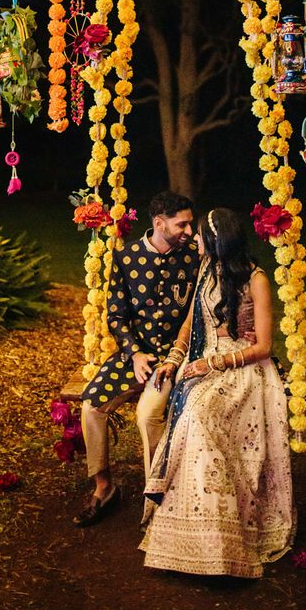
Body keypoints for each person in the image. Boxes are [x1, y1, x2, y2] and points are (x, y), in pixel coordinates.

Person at [139, 207, 295, 577]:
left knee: (200, 415)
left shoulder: (255, 279)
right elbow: (189, 325)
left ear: (216, 239)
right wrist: (174, 360)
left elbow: (264, 347)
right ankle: (188, 533)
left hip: (242, 368)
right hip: (201, 362)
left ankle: (223, 536)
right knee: (194, 416)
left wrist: (213, 364)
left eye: (201, 235)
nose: (194, 239)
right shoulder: (206, 272)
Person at [73, 191, 200, 527]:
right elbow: (116, 315)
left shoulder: (194, 257)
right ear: (159, 223)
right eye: (182, 224)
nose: (189, 229)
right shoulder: (127, 258)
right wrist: (134, 354)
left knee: (148, 416)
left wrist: (173, 357)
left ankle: (159, 497)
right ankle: (104, 487)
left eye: (191, 222)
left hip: (174, 357)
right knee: (90, 406)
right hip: (135, 354)